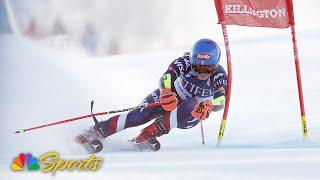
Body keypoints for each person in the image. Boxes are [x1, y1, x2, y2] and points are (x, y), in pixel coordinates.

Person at [75, 38, 228, 153]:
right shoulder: (184, 62)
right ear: (192, 60)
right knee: (138, 116)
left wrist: (209, 105)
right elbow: (167, 77)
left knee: (191, 104)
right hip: (171, 96)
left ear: (215, 65)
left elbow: (221, 98)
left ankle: (148, 134)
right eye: (197, 66)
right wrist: (166, 92)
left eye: (207, 69)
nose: (201, 72)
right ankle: (96, 131)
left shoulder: (219, 74)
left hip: (194, 112)